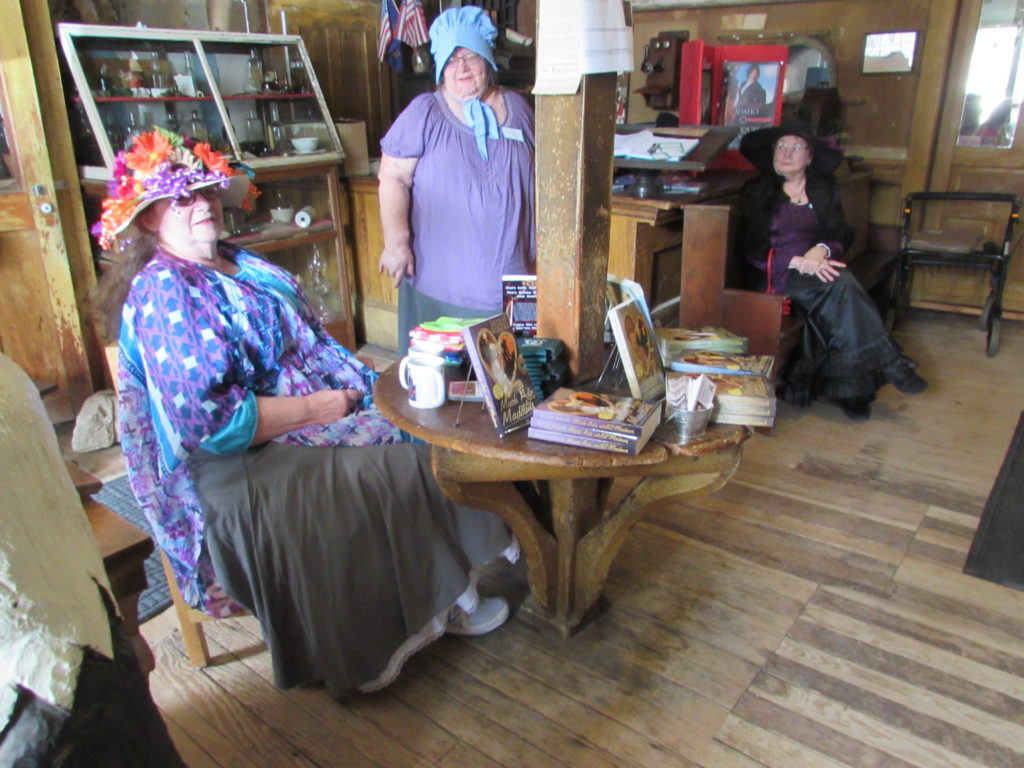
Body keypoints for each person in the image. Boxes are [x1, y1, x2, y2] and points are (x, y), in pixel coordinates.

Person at [93, 128, 518, 698]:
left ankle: (449, 586)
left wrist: (354, 390)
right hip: (236, 457)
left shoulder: (234, 261)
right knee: (388, 471)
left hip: (311, 407)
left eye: (207, 192)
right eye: (182, 198)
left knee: (433, 423)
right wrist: (319, 406)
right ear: (148, 220)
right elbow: (214, 426)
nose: (202, 206)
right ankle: (438, 605)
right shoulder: (166, 292)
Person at [738, 123, 928, 420]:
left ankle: (859, 388)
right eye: (781, 147)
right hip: (776, 272)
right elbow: (752, 247)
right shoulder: (757, 191)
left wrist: (822, 249)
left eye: (795, 147)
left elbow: (839, 232)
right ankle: (885, 367)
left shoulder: (823, 188)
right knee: (842, 285)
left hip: (816, 269)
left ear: (810, 156)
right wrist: (798, 260)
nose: (786, 153)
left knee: (840, 297)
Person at [377, 6, 536, 355]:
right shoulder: (424, 112)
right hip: (440, 289)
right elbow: (391, 178)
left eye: (470, 56)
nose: (461, 67)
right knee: (443, 391)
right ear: (439, 67)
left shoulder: (519, 108)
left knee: (513, 388)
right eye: (450, 59)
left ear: (487, 60)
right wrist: (396, 242)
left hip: (513, 283)